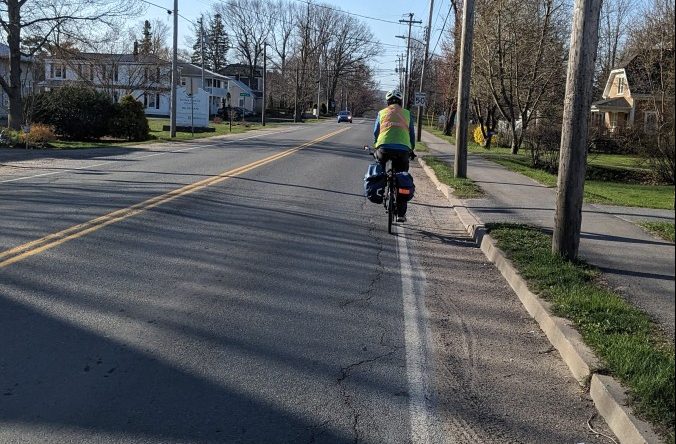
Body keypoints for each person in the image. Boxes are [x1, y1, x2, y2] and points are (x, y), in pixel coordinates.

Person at [373, 89, 416, 222]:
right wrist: (411, 149)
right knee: (402, 176)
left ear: (387, 102)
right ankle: (401, 214)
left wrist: (376, 145)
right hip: (403, 149)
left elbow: (376, 132)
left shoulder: (382, 113)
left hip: (383, 148)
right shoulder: (407, 114)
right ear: (400, 102)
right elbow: (412, 135)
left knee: (380, 169)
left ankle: (380, 189)